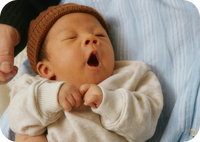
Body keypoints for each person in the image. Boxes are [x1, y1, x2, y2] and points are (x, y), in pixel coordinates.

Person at [8, 3, 163, 142]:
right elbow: (17, 118)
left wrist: (109, 101)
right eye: (71, 37)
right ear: (47, 70)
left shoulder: (133, 74)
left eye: (100, 35)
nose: (91, 38)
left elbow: (145, 127)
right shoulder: (33, 86)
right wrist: (51, 96)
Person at [0, 0, 60, 85]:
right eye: (71, 37)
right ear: (46, 70)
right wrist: (11, 23)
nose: (86, 37)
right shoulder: (31, 86)